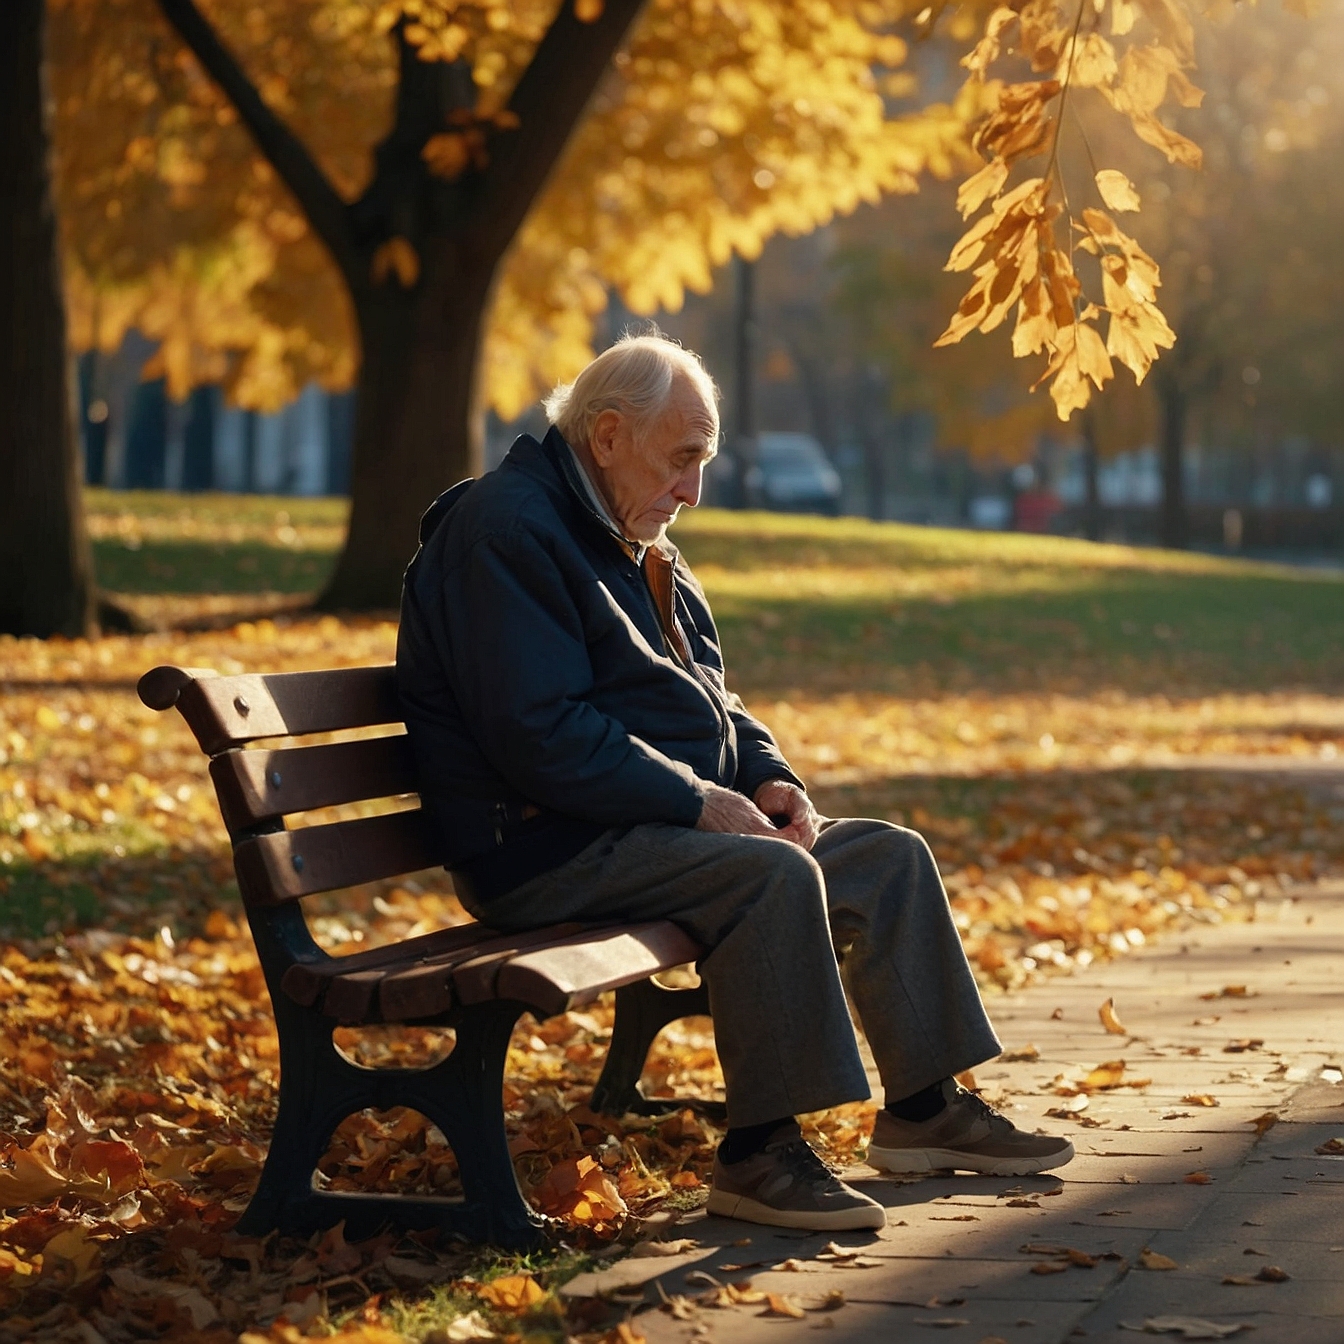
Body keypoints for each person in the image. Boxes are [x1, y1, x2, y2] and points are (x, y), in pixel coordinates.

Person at [396, 332, 1073, 1232]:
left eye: (703, 461)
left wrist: (770, 778)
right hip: (539, 843)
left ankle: (924, 1112)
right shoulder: (508, 530)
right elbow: (539, 734)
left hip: (637, 825)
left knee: (883, 858)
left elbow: (714, 699)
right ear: (605, 437)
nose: (695, 490)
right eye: (682, 460)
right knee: (770, 876)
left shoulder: (628, 530)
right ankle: (760, 1153)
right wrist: (698, 801)